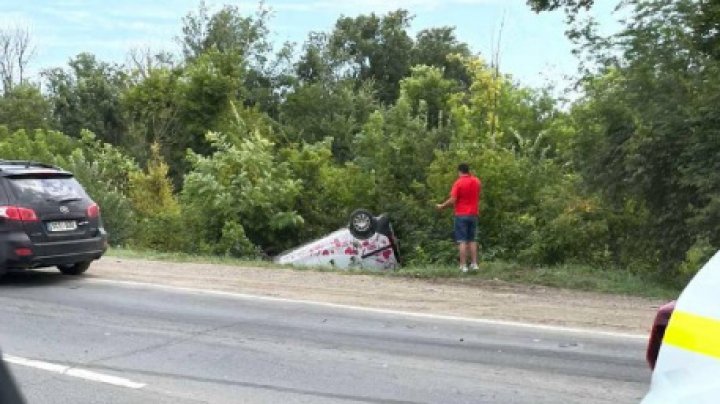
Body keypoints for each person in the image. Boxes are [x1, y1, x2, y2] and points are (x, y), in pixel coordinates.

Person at [435, 163, 482, 273]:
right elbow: (478, 191)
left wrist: (442, 206)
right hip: (473, 214)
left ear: (459, 171)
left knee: (462, 240)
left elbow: (453, 200)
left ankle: (463, 265)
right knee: (472, 239)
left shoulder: (458, 183)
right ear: (468, 170)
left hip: (461, 214)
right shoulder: (476, 181)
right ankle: (474, 264)